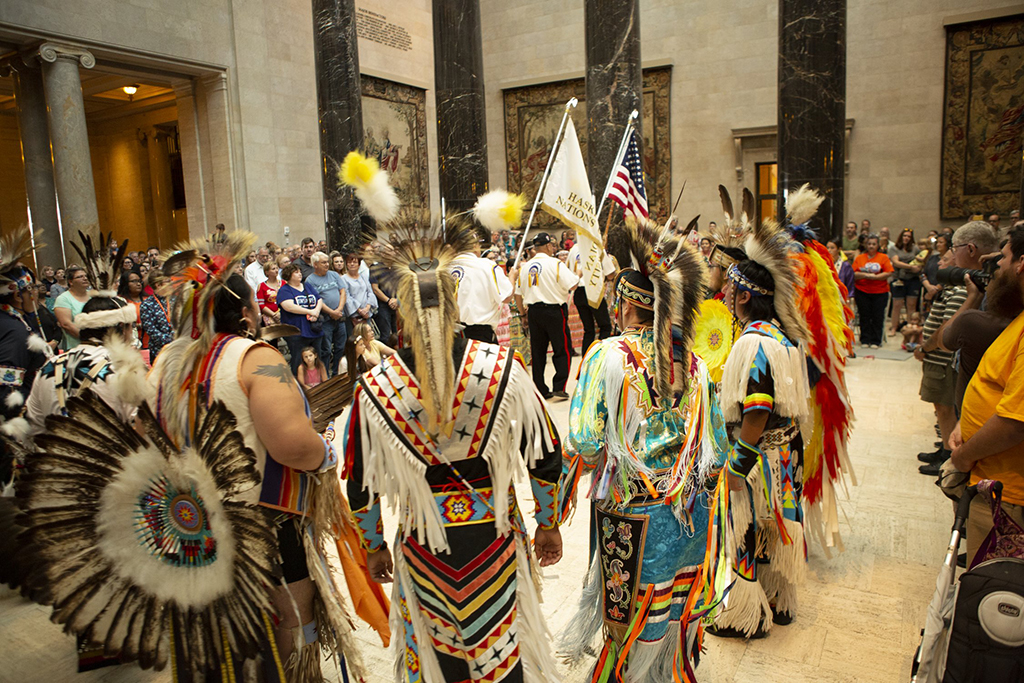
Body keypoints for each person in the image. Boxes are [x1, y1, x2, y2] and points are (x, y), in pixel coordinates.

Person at [342, 218, 563, 683]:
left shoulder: (378, 386)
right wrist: (548, 523)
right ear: (453, 301)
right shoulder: (502, 368)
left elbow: (361, 480)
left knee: (440, 657)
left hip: (425, 542)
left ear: (401, 309)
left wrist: (374, 546)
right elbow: (544, 455)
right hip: (494, 536)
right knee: (501, 649)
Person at [146, 234, 356, 678]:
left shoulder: (164, 361)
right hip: (262, 529)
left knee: (212, 639)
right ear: (245, 311)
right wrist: (327, 452)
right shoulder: (253, 357)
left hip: (189, 528)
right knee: (285, 646)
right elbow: (294, 447)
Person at [559, 219, 726, 680]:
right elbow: (720, 448)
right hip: (689, 513)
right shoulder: (693, 362)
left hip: (632, 516)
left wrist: (618, 459)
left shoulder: (606, 355)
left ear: (624, 306)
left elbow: (584, 440)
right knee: (673, 603)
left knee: (631, 610)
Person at [707, 217, 812, 639]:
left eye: (731, 290)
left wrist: (737, 464)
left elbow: (757, 409)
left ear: (746, 295)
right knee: (778, 525)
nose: (727, 296)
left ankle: (746, 616)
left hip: (758, 458)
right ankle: (778, 602)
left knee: (746, 532)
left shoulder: (752, 342)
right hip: (786, 453)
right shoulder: (784, 338)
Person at [951, 226, 1024, 567]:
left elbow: (1014, 424)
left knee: (993, 598)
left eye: (1004, 258)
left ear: (1022, 264)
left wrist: (965, 455)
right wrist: (964, 426)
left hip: (1008, 494)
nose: (996, 267)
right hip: (994, 482)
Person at [917, 221, 998, 474]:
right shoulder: (969, 284)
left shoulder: (969, 287)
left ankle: (951, 456)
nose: (948, 256)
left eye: (954, 249)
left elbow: (950, 334)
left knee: (947, 407)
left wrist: (927, 348)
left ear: (970, 249)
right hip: (949, 361)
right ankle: (946, 450)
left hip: (945, 360)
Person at [514, 232, 579, 399]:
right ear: (549, 246)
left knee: (538, 352)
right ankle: (559, 386)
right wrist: (578, 273)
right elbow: (573, 284)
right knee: (562, 349)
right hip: (554, 311)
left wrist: (523, 315)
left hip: (534, 312)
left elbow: (518, 294)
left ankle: (540, 388)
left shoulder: (525, 267)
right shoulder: (555, 264)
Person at [449, 237, 514, 343]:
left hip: (452, 335)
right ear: (475, 246)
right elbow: (507, 297)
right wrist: (512, 277)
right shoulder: (487, 266)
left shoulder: (446, 267)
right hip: (480, 335)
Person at [565, 241, 615, 354]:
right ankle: (601, 356)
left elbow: (567, 271)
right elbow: (611, 274)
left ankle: (585, 359)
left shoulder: (573, 250)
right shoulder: (597, 247)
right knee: (605, 326)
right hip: (593, 290)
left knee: (588, 330)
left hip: (579, 291)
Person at [277, 263, 324, 374]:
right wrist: (309, 311)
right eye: (296, 272)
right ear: (289, 275)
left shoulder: (307, 286)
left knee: (317, 358)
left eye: (300, 271)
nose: (300, 274)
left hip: (314, 329)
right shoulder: (284, 290)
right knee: (299, 360)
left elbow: (319, 299)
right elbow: (288, 306)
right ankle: (299, 385)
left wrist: (316, 312)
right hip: (297, 332)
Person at [305, 251, 347, 376]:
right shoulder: (310, 280)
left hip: (339, 316)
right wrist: (332, 312)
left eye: (327, 262)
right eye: (323, 262)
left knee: (341, 346)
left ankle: (337, 373)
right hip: (325, 319)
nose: (327, 264)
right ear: (315, 264)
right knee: (326, 350)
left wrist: (339, 309)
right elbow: (316, 300)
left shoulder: (334, 275)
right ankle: (325, 376)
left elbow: (343, 292)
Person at [851, 235, 893, 347]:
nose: (871, 246)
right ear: (866, 245)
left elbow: (888, 272)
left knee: (877, 316)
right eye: (869, 244)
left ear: (878, 245)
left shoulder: (883, 257)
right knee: (864, 316)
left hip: (880, 292)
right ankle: (865, 339)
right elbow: (853, 274)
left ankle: (875, 340)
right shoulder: (860, 258)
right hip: (862, 291)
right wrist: (865, 275)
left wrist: (875, 277)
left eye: (874, 244)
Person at [888, 228, 921, 335]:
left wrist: (918, 266)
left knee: (911, 305)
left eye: (908, 236)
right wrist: (911, 267)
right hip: (899, 278)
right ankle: (894, 327)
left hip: (913, 279)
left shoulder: (915, 249)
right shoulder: (894, 249)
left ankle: (910, 326)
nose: (906, 238)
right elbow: (896, 262)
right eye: (904, 236)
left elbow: (920, 260)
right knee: (897, 304)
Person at [54, 266, 91, 350]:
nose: (85, 278)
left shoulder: (93, 295)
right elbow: (66, 325)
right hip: (77, 347)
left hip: (99, 345)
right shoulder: (63, 299)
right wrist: (89, 339)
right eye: (80, 277)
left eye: (86, 276)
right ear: (71, 282)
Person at [138, 269, 172, 362]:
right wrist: (170, 341)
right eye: (168, 281)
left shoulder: (173, 300)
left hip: (177, 350)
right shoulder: (147, 305)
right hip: (159, 352)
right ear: (158, 285)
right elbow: (151, 330)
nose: (171, 284)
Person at [340, 253, 375, 338]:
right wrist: (359, 310)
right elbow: (347, 297)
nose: (352, 264)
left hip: (366, 314)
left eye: (355, 262)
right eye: (349, 262)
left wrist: (367, 308)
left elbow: (370, 292)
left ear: (359, 264)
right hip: (354, 315)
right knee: (355, 340)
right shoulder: (343, 279)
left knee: (368, 338)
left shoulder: (363, 276)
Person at [117, 269, 146, 352]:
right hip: (130, 346)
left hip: (149, 342)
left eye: (139, 281)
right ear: (125, 284)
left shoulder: (148, 300)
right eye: (133, 281)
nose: (138, 284)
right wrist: (137, 326)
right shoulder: (120, 302)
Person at [257, 259, 283, 325]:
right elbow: (261, 305)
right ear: (267, 272)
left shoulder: (284, 283)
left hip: (284, 314)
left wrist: (280, 313)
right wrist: (273, 315)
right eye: (273, 269)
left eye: (277, 268)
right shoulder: (262, 286)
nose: (276, 270)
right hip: (269, 317)